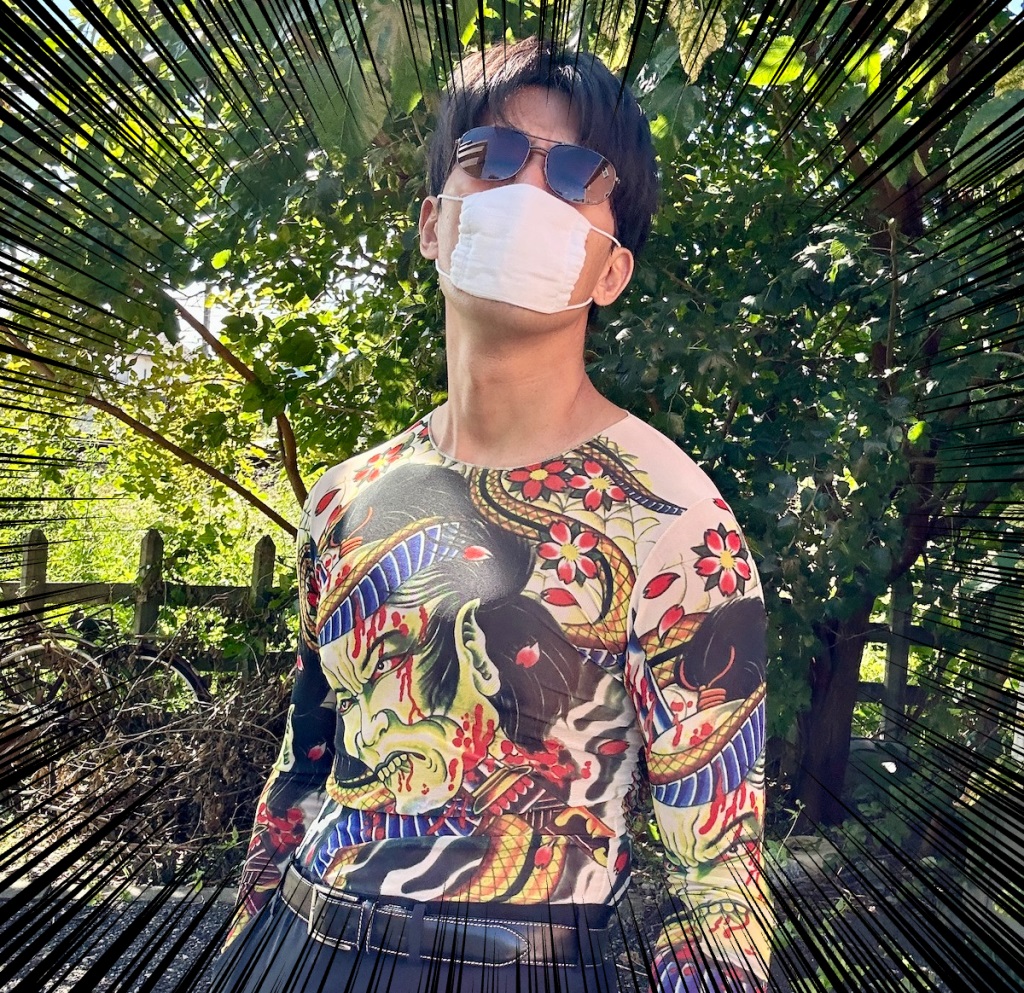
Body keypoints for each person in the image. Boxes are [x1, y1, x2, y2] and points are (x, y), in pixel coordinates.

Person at [212, 35, 772, 993]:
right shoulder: (343, 499)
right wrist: (244, 943)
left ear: (612, 271)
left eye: (577, 173)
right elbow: (304, 763)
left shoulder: (678, 523)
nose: (528, 190)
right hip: (298, 951)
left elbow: (719, 882)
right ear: (434, 224)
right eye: (494, 155)